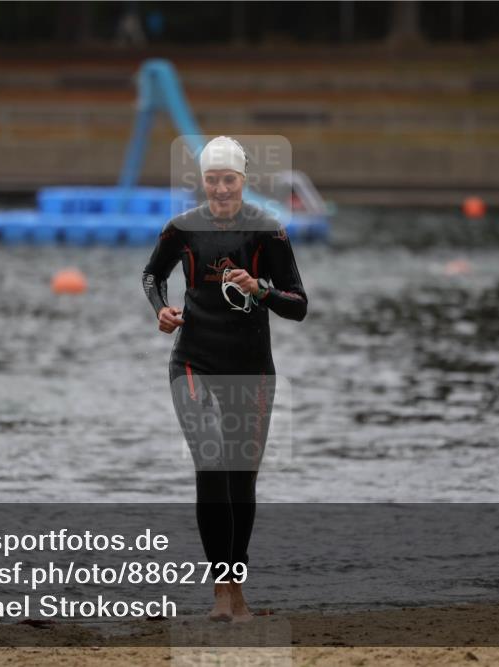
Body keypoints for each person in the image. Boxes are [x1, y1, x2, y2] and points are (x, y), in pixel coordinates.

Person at [141, 136, 307, 622]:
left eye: (228, 179)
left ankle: (236, 589)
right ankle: (220, 592)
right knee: (211, 461)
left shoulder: (268, 232)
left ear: (243, 180)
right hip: (193, 361)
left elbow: (299, 305)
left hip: (252, 368)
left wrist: (261, 288)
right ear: (203, 181)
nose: (219, 188)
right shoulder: (182, 228)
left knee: (240, 479)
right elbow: (152, 276)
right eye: (211, 179)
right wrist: (162, 310)